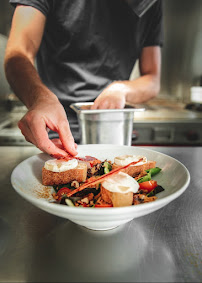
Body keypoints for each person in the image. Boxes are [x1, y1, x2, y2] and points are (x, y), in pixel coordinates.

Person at [4, 0, 163, 157]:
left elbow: (152, 80)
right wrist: (40, 98)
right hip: (57, 130)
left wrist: (121, 89)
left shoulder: (152, 4)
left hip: (112, 132)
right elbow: (18, 54)